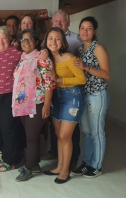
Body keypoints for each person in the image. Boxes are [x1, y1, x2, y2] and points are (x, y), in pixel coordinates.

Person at [42, 27, 86, 184]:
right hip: (56, 98)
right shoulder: (48, 58)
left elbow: (81, 79)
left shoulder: (69, 57)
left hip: (72, 98)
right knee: (58, 134)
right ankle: (60, 166)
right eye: (50, 38)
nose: (53, 42)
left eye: (57, 38)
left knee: (64, 136)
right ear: (46, 41)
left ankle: (65, 170)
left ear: (63, 42)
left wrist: (59, 79)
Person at [71, 17, 110, 178]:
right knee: (86, 131)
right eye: (82, 28)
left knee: (96, 131)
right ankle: (86, 163)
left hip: (97, 94)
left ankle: (96, 165)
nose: (85, 31)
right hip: (84, 94)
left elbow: (106, 74)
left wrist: (86, 67)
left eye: (89, 28)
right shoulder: (81, 49)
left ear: (94, 31)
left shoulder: (98, 48)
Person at [13, 29, 55, 181]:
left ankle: (29, 168)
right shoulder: (22, 59)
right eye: (23, 40)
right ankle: (35, 164)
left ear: (36, 42)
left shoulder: (42, 59)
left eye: (30, 39)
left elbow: (49, 84)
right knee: (31, 136)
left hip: (37, 103)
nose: (26, 42)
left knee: (31, 137)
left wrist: (47, 105)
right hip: (23, 104)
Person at [0, 26, 21, 171]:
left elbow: (31, 55)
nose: (1, 41)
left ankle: (10, 160)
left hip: (8, 95)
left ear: (10, 39)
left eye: (4, 38)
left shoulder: (16, 53)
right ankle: (5, 154)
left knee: (8, 128)